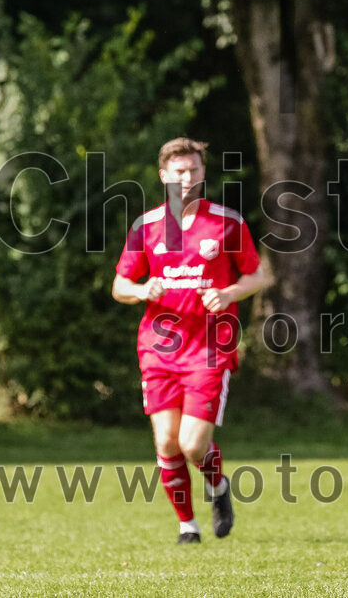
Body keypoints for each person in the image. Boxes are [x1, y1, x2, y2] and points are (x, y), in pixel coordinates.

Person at [112, 138, 269, 544]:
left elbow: (258, 275)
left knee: (193, 444)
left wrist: (230, 293)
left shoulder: (227, 222)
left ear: (203, 173)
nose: (187, 178)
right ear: (164, 175)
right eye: (179, 171)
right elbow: (120, 284)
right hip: (158, 349)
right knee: (166, 441)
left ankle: (218, 488)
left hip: (210, 348)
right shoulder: (145, 226)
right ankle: (187, 525)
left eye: (194, 170)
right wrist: (142, 290)